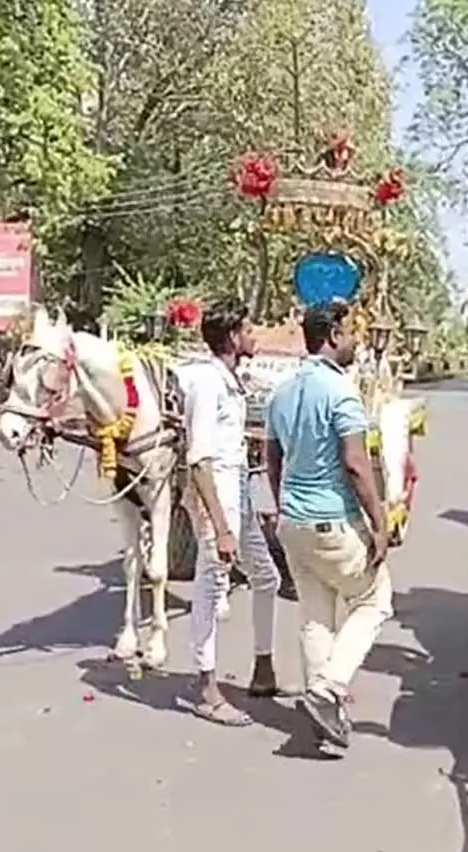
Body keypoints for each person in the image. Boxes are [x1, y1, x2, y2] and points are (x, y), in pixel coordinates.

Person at [266, 300, 391, 752]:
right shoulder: (341, 392)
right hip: (331, 520)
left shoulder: (282, 391)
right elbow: (356, 464)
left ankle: (324, 709)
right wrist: (380, 522)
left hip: (294, 522)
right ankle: (328, 689)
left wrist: (284, 505)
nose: (354, 341)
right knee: (374, 600)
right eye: (350, 332)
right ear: (333, 335)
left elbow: (272, 457)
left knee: (316, 615)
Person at [177, 301, 281, 726]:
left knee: (267, 577)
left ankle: (263, 667)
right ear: (233, 337)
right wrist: (220, 527)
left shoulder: (231, 381)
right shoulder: (206, 383)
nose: (255, 335)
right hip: (216, 496)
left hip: (238, 491)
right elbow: (198, 458)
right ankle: (206, 688)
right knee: (211, 584)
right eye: (250, 329)